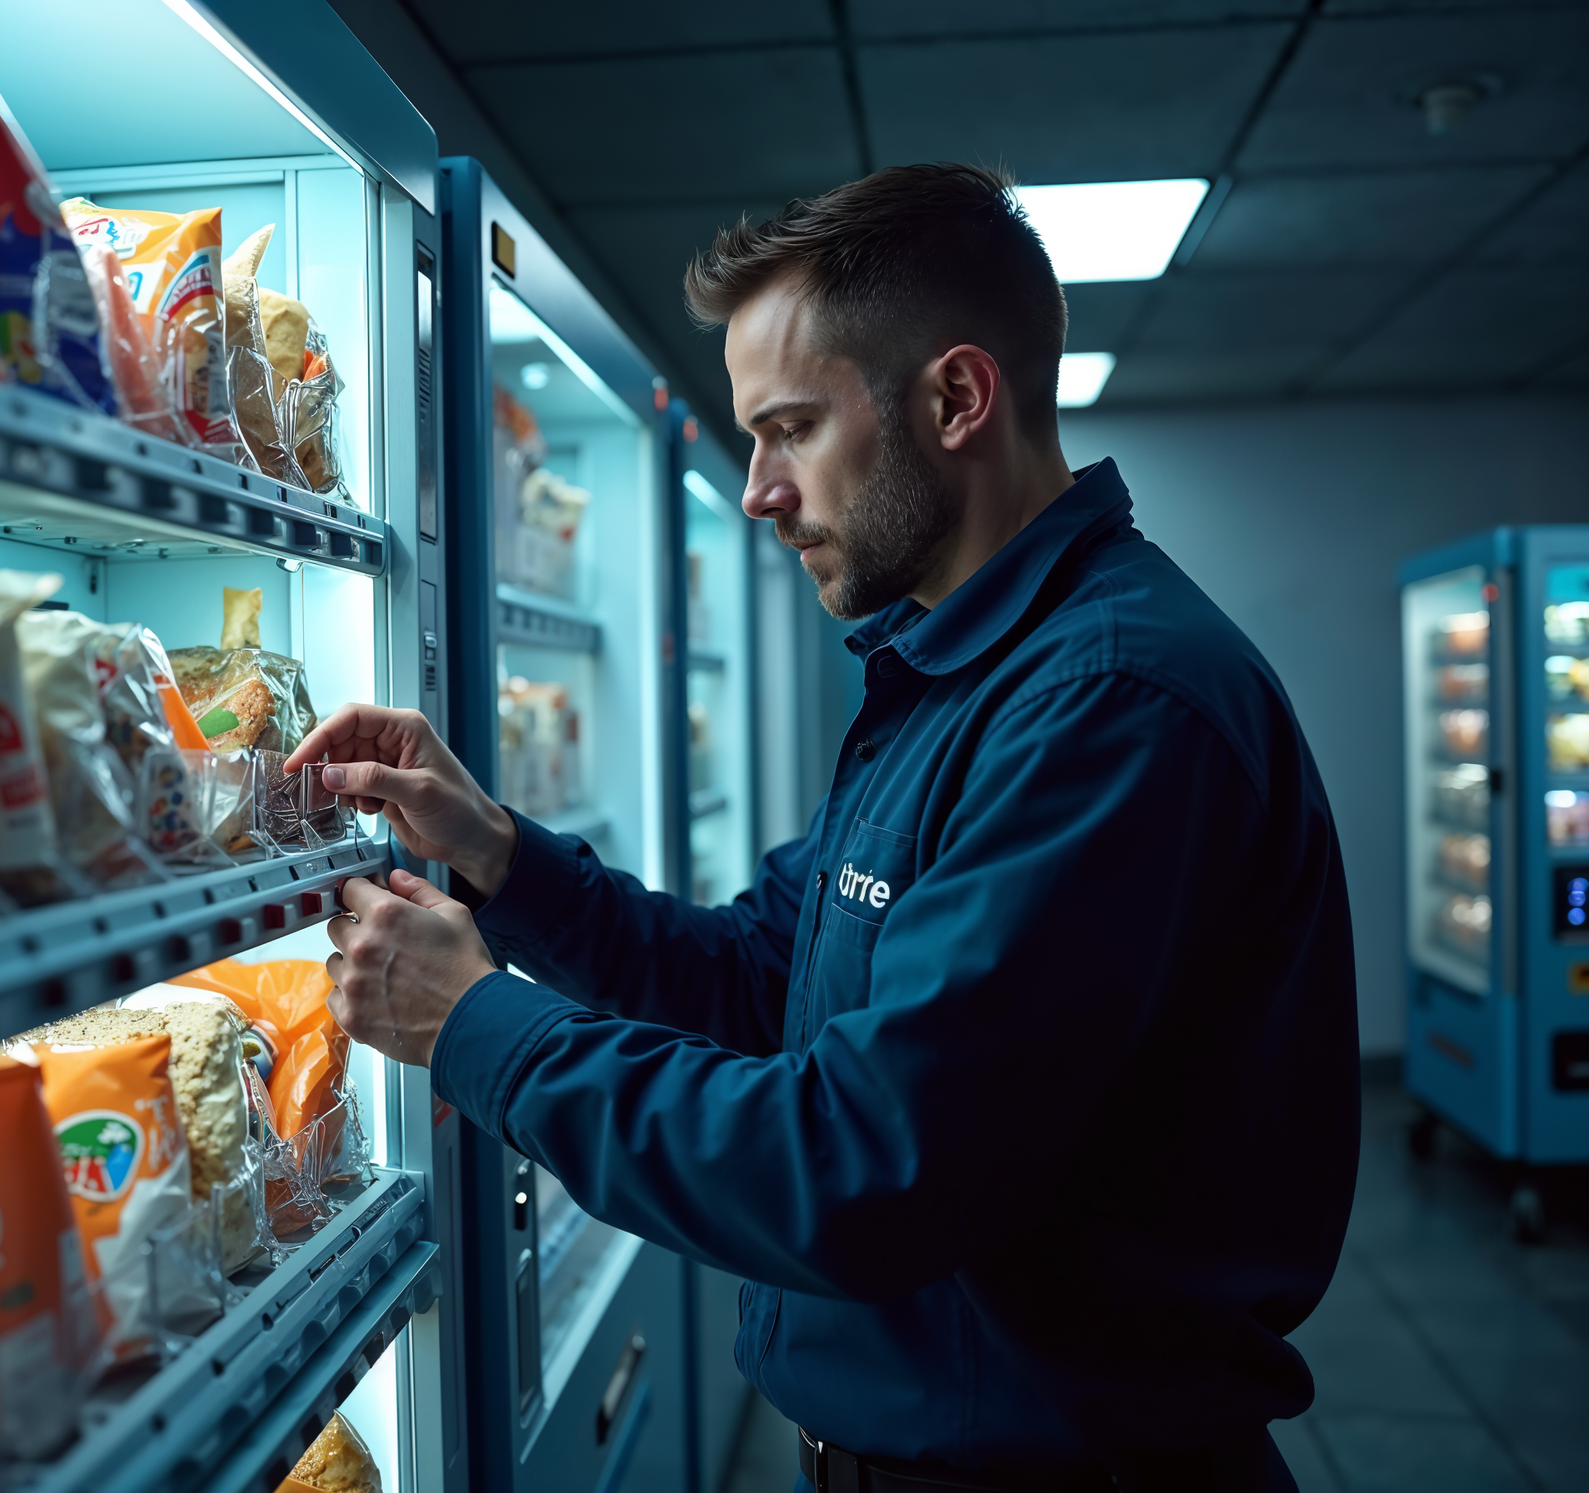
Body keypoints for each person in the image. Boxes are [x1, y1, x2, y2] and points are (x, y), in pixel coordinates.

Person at [286, 164, 1359, 1492]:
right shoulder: (957, 673)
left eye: (789, 428)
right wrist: (500, 857)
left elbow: (866, 1166)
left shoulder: (1107, 707)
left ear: (956, 399)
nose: (756, 489)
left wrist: (472, 1026)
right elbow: (759, 976)